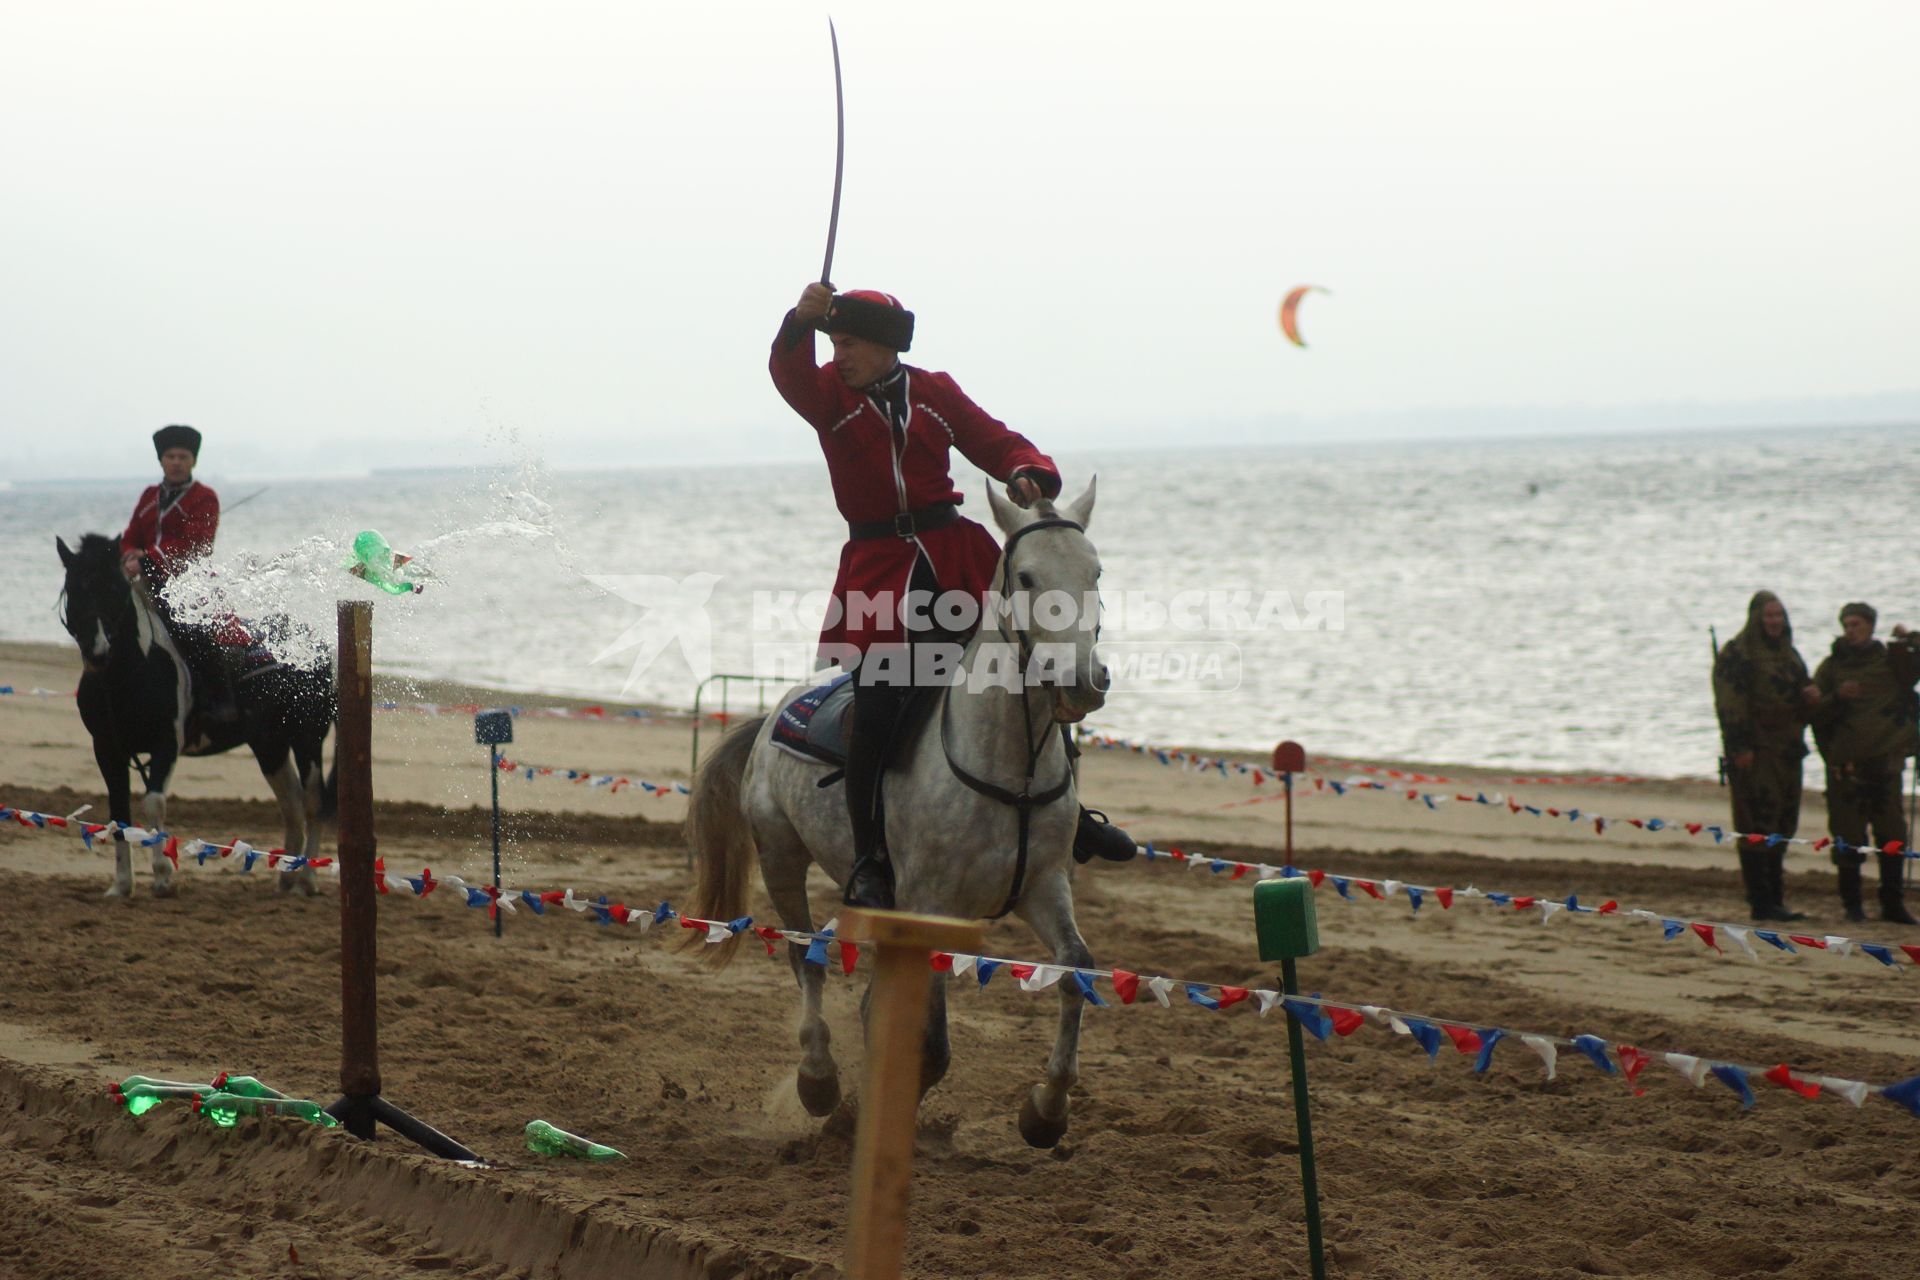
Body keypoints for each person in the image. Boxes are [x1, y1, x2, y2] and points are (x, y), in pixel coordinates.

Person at [768, 283, 1135, 909]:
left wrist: (1027, 471)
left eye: (849, 342)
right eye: (833, 342)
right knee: (881, 700)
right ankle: (867, 862)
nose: (839, 354)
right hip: (879, 571)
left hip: (956, 557)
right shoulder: (827, 395)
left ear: (886, 347)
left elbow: (997, 440)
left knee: (1027, 676)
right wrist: (797, 324)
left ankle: (1071, 816)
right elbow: (788, 370)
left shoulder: (935, 392)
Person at [1809, 602, 1920, 924]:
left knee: (1892, 836)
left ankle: (1893, 904)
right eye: (1846, 625)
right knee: (1848, 838)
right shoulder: (1832, 667)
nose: (1850, 630)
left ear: (1871, 626)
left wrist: (1909, 637)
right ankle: (1852, 905)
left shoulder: (1893, 661)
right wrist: (1837, 697)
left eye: (1856, 624)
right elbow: (1812, 714)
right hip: (1847, 770)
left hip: (1885, 766)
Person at [1712, 590, 1816, 921]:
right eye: (1768, 616)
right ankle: (1761, 901)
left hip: (1787, 751)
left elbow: (1800, 690)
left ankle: (1776, 898)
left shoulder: (1789, 654)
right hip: (1757, 752)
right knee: (1757, 822)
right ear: (1756, 618)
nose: (1774, 622)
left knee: (1784, 822)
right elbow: (1730, 705)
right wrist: (1740, 748)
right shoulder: (1738, 654)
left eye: (1779, 616)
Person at [119, 425, 234, 721]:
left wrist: (149, 558)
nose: (176, 462)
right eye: (170, 456)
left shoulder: (205, 497)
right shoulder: (148, 496)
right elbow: (131, 534)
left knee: (192, 633)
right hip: (144, 580)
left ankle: (220, 699)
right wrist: (129, 553)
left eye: (183, 456)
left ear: (193, 460)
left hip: (188, 584)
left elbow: (196, 543)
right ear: (161, 460)